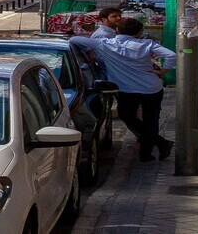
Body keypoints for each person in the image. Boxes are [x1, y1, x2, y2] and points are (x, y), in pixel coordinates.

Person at [74, 17, 177, 161]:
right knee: (151, 120)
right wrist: (163, 71)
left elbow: (75, 40)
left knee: (127, 117)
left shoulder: (105, 44)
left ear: (117, 30)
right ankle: (147, 152)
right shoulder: (147, 44)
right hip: (152, 88)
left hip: (127, 90)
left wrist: (89, 51)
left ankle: (159, 143)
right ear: (138, 32)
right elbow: (171, 55)